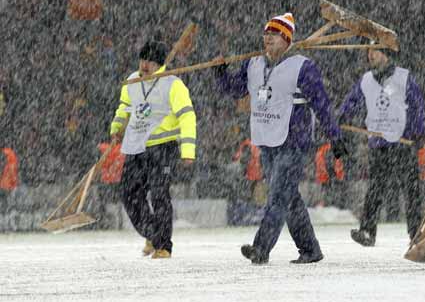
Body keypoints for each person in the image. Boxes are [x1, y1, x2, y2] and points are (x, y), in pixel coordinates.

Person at [214, 13, 347, 265]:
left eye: (273, 35)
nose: (267, 39)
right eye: (265, 35)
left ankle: (260, 248)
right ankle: (310, 249)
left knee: (277, 197)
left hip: (293, 142)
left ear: (286, 39)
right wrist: (221, 73)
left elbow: (322, 104)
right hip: (266, 141)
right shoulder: (253, 64)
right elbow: (235, 90)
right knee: (289, 198)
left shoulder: (303, 67)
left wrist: (335, 136)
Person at [110, 39, 197, 259]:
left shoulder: (173, 84)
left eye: (149, 61)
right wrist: (117, 126)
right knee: (129, 195)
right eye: (142, 60)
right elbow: (124, 107)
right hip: (136, 146)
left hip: (163, 147)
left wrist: (188, 150)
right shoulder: (132, 81)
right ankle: (153, 234)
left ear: (159, 64)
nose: (144, 65)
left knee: (159, 195)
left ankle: (163, 246)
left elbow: (187, 115)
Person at [337, 43, 425, 246]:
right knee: (375, 189)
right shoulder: (366, 80)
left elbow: (417, 105)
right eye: (369, 52)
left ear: (386, 55)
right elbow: (352, 101)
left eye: (375, 51)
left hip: (402, 142)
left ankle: (415, 233)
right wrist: (342, 117)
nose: (370, 55)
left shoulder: (403, 77)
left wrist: (418, 132)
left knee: (411, 191)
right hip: (378, 143)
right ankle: (367, 231)